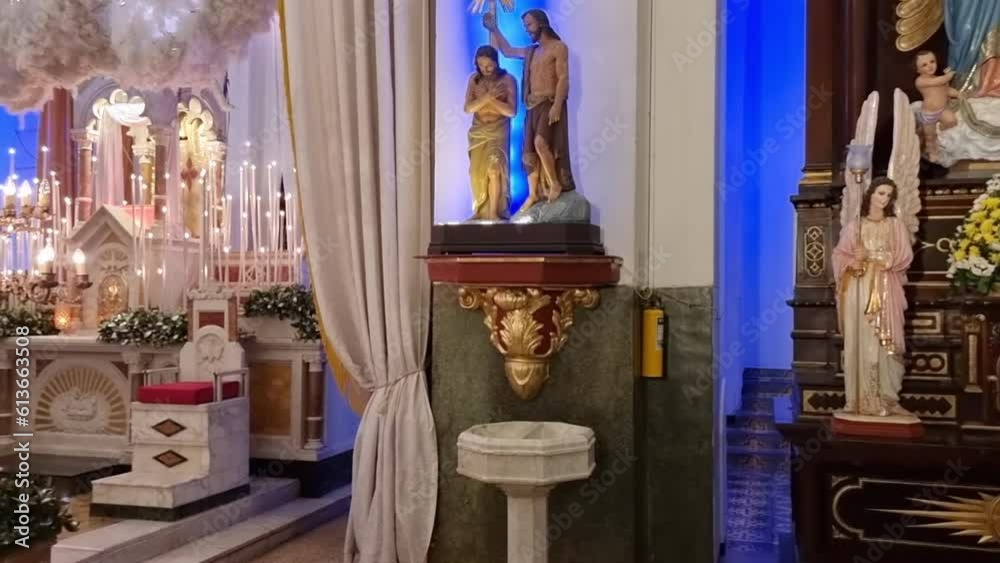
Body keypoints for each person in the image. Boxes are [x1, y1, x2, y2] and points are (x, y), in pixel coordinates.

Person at [833, 177, 914, 417]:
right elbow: (839, 255)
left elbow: (904, 257)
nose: (884, 198)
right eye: (880, 193)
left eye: (888, 195)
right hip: (858, 290)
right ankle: (858, 399)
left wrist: (872, 256)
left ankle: (888, 398)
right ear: (870, 194)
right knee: (860, 339)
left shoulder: (895, 225)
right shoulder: (854, 226)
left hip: (886, 289)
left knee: (890, 341)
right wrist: (852, 262)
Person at [484, 8, 575, 213]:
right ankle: (533, 193)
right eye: (525, 26)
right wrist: (494, 28)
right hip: (532, 105)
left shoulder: (558, 47)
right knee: (528, 153)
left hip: (548, 103)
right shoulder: (531, 51)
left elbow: (563, 78)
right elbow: (507, 51)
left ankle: (555, 183)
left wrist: (557, 105)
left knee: (541, 143)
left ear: (541, 23)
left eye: (529, 25)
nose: (527, 29)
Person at [464, 45, 517, 220]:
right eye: (481, 65)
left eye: (489, 66)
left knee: (494, 169)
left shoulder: (507, 80)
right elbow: (468, 108)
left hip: (498, 131)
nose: (485, 70)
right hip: (478, 132)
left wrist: (492, 100)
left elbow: (511, 111)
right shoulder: (474, 80)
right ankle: (480, 211)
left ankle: (495, 213)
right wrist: (488, 97)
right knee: (476, 173)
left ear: (496, 62)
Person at [913, 51, 959, 163]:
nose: (930, 66)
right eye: (924, 65)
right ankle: (932, 151)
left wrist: (958, 94)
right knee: (930, 137)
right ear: (918, 70)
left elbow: (946, 90)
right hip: (930, 114)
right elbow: (939, 81)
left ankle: (939, 129)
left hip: (942, 110)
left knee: (952, 121)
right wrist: (948, 76)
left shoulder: (936, 78)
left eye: (932, 61)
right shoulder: (920, 81)